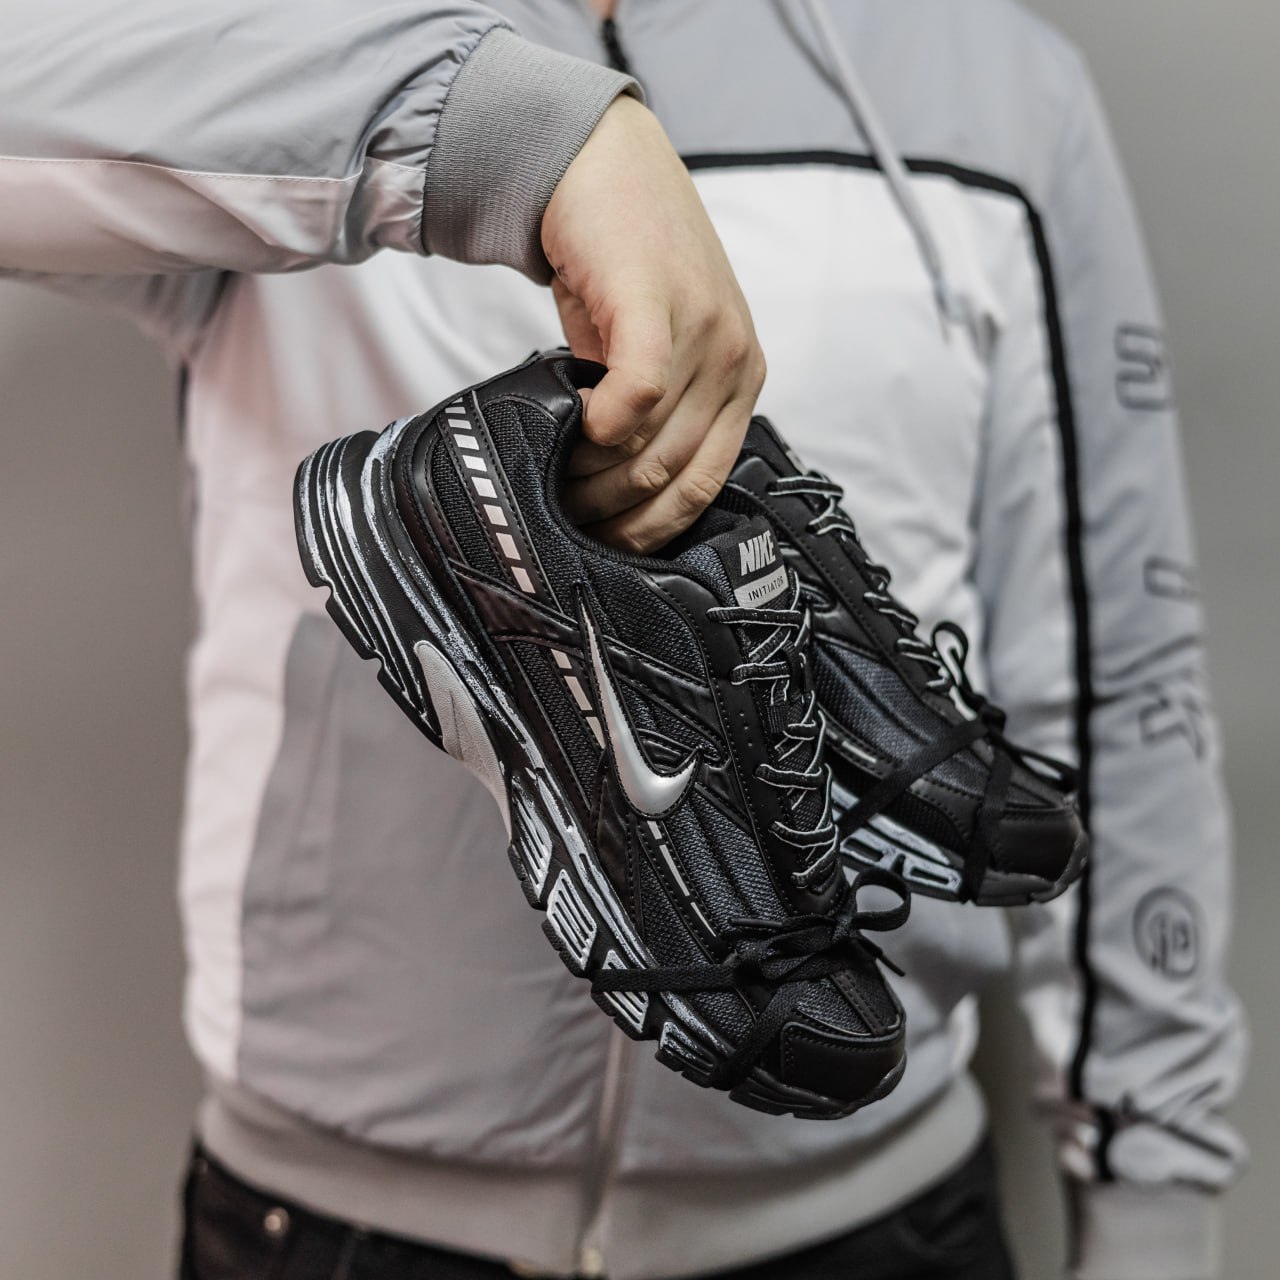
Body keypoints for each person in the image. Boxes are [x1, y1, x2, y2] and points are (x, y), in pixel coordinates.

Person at [0, 2, 1246, 1278]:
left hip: (873, 1218)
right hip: (333, 1223)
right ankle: (490, 543)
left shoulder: (996, 85)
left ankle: (708, 587)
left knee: (728, 499)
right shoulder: (259, 22)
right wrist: (511, 135)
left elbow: (1117, 679)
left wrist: (1153, 1196)